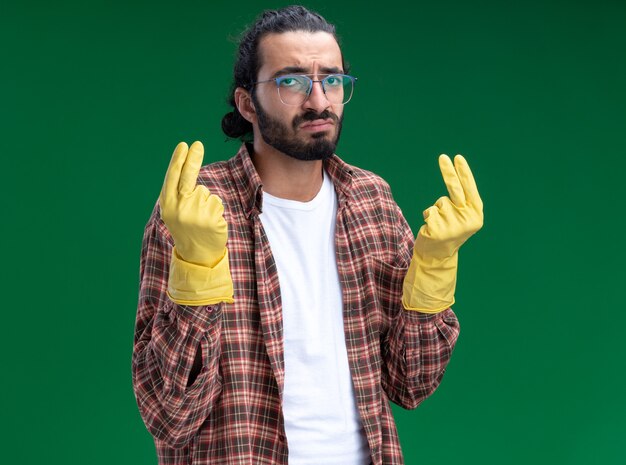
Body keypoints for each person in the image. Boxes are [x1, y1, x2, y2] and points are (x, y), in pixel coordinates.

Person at [132, 5, 483, 465]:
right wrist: (196, 273)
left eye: (332, 80)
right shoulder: (194, 210)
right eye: (291, 81)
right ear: (245, 104)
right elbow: (169, 413)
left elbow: (410, 382)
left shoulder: (372, 201)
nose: (319, 101)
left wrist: (435, 269)